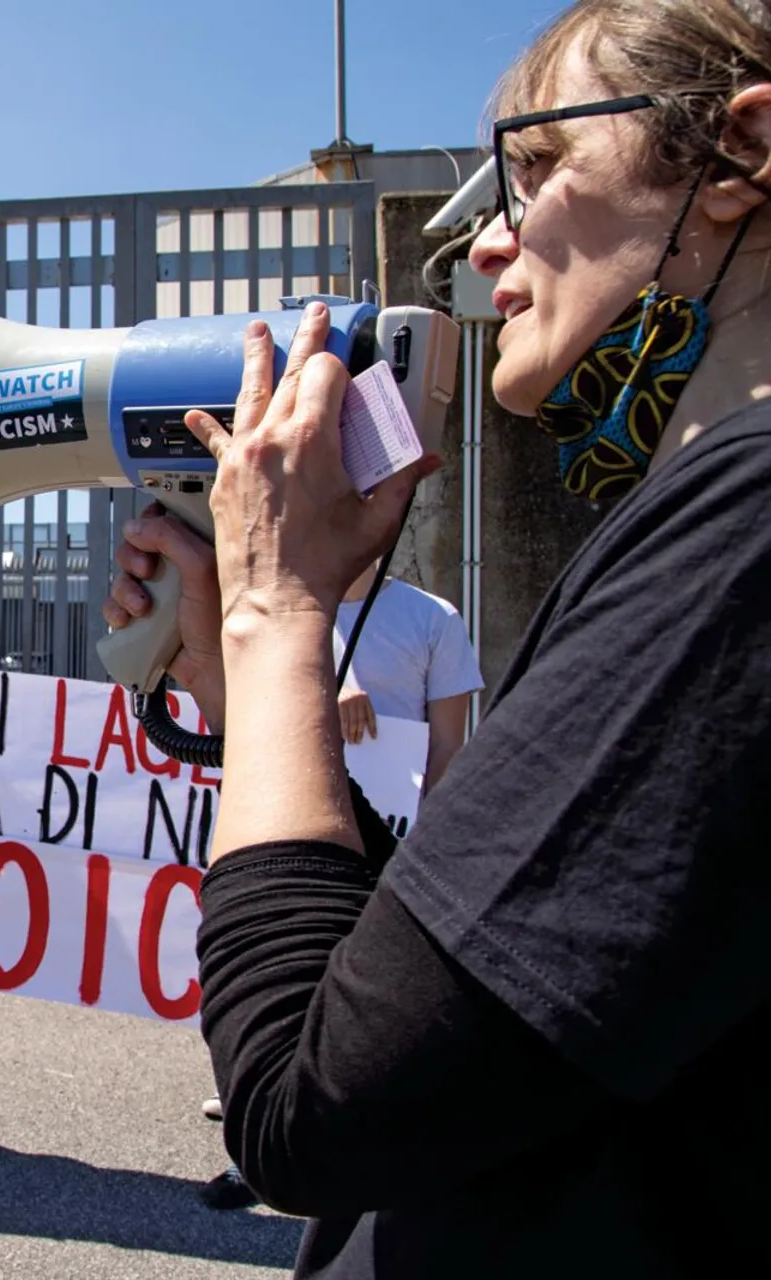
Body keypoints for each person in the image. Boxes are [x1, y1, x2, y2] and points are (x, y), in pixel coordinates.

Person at [104, 1, 771, 1272]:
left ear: (741, 152)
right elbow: (436, 972)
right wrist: (259, 701)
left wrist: (276, 612)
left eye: (540, 167)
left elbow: (311, 1109)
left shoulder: (742, 538)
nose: (489, 243)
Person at [198, 569, 485, 1210]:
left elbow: (447, 745)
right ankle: (251, 1152)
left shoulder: (433, 618)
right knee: (279, 989)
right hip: (300, 841)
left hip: (390, 848)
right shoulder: (273, 604)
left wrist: (437, 844)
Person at [331, 563, 484, 796]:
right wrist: (321, 699)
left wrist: (431, 826)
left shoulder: (435, 617)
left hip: (398, 821)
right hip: (301, 816)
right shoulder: (275, 618)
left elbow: (446, 746)